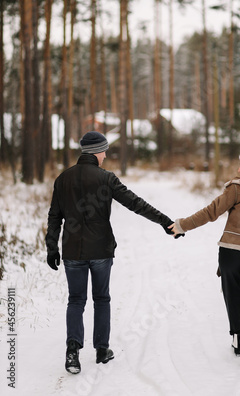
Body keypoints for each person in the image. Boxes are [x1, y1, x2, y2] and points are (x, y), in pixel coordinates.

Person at [45, 131, 176, 375]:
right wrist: (164, 222)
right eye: (104, 151)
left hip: (72, 250)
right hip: (101, 250)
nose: (106, 155)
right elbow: (135, 204)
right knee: (101, 298)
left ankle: (72, 352)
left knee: (76, 300)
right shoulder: (106, 179)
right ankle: (102, 349)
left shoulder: (63, 178)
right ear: (96, 151)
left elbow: (55, 216)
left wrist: (51, 245)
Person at [169, 148, 240, 367]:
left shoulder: (236, 188)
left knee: (233, 294)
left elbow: (211, 212)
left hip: (231, 252)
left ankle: (236, 337)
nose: (238, 168)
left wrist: (181, 225)